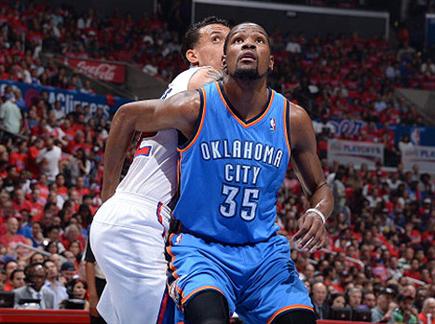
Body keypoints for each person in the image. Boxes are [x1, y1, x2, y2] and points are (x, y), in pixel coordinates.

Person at [108, 22, 332, 323]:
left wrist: (318, 213)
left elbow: (319, 187)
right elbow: (126, 116)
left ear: (271, 60)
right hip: (201, 250)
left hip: (265, 256)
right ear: (224, 60)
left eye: (259, 41)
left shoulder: (292, 118)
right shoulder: (196, 105)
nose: (249, 45)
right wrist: (107, 197)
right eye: (238, 40)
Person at [90, 16, 231, 324]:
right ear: (192, 55)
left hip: (134, 218)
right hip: (140, 219)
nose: (228, 47)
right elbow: (125, 115)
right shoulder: (203, 77)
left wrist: (109, 197)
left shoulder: (180, 92)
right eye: (217, 39)